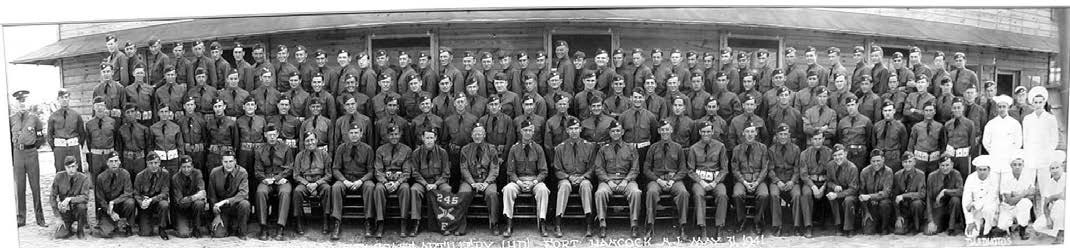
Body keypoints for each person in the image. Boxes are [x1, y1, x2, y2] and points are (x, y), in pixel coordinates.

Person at [593, 120, 643, 238]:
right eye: (613, 131)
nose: (616, 133)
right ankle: (602, 224)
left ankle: (634, 224)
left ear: (622, 132)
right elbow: (599, 169)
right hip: (608, 180)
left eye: (618, 131)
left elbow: (635, 169)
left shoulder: (631, 148)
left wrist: (626, 181)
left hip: (627, 180)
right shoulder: (603, 149)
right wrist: (608, 181)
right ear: (609, 133)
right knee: (600, 193)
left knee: (636, 192)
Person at [331, 124, 381, 239]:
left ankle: (368, 222)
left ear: (361, 134)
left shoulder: (367, 149)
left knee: (370, 186)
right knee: (336, 187)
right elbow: (335, 169)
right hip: (346, 178)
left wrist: (361, 181)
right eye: (351, 133)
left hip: (361, 179)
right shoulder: (341, 148)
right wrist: (344, 181)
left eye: (356, 132)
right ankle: (336, 223)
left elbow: (371, 171)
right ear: (348, 134)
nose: (354, 135)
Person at [502, 121, 551, 237]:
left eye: (530, 130)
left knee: (543, 190)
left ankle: (542, 222)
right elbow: (510, 171)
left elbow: (544, 171)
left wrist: (535, 182)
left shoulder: (538, 149)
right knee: (508, 189)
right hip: (518, 180)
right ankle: (509, 223)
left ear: (533, 132)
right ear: (521, 132)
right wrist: (518, 182)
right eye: (525, 130)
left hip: (535, 180)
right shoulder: (514, 149)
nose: (527, 133)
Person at [643, 120, 690, 239]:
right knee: (651, 192)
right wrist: (658, 180)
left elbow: (683, 169)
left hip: (673, 180)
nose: (665, 132)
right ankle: (650, 226)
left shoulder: (678, 148)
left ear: (671, 130)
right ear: (659, 131)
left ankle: (683, 226)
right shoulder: (653, 148)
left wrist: (673, 180)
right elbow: (646, 169)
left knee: (683, 193)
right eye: (662, 129)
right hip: (657, 180)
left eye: (667, 129)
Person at [551, 117, 596, 237]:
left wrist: (583, 177)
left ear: (580, 129)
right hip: (566, 178)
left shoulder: (589, 146)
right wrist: (568, 177)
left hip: (583, 178)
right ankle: (558, 223)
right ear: (567, 130)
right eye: (571, 129)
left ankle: (589, 223)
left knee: (586, 186)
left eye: (576, 128)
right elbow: (557, 169)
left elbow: (592, 167)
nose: (574, 131)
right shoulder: (560, 148)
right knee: (564, 187)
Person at [689, 121, 730, 240]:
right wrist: (701, 182)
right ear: (699, 132)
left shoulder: (720, 146)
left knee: (722, 195)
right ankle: (702, 228)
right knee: (698, 195)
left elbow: (724, 169)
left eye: (708, 131)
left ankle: (719, 228)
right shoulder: (694, 148)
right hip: (700, 181)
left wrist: (715, 182)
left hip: (715, 180)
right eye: (704, 132)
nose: (706, 134)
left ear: (712, 132)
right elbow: (690, 170)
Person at [459, 123, 502, 236]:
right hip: (470, 180)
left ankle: (494, 223)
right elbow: (464, 168)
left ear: (484, 135)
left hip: (487, 180)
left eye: (480, 134)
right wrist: (473, 183)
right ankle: (461, 224)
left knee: (492, 194)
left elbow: (494, 169)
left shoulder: (491, 149)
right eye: (475, 134)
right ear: (471, 135)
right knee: (463, 193)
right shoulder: (465, 149)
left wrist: (486, 183)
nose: (477, 136)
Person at [12, 90, 46, 227]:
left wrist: (32, 147)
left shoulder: (34, 118)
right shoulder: (11, 119)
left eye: (24, 101)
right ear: (16, 103)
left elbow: (41, 137)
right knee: (20, 187)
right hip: (18, 154)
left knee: (35, 186)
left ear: (28, 102)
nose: (22, 104)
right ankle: (21, 218)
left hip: (31, 153)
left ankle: (40, 218)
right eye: (19, 101)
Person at [407, 127, 451, 236]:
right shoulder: (416, 153)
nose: (429, 140)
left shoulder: (442, 152)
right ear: (422, 138)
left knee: (446, 189)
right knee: (414, 190)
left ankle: (444, 222)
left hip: (437, 181)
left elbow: (446, 173)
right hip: (422, 182)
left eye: (431, 138)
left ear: (435, 138)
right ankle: (415, 222)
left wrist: (436, 184)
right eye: (427, 138)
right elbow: (415, 172)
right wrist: (425, 184)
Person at [253, 124, 293, 241]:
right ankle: (263, 226)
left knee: (285, 192)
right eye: (269, 135)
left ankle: (280, 227)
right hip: (266, 179)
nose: (272, 137)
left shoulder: (286, 149)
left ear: (278, 135)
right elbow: (257, 170)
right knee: (260, 192)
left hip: (281, 179)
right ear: (265, 135)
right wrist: (264, 179)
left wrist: (277, 178)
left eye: (274, 135)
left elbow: (289, 168)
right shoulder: (259, 150)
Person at [374, 124, 415, 237]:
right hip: (385, 181)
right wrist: (385, 182)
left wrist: (397, 183)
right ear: (387, 135)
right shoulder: (380, 150)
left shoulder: (407, 150)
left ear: (400, 135)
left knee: (405, 188)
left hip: (400, 182)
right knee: (378, 189)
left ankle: (403, 223)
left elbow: (407, 172)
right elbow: (378, 171)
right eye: (391, 134)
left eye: (396, 134)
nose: (394, 137)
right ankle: (380, 223)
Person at [731, 123, 769, 235]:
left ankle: (758, 221)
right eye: (747, 131)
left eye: (752, 131)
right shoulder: (737, 149)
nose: (750, 134)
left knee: (764, 195)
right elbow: (735, 169)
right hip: (742, 179)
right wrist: (744, 182)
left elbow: (765, 168)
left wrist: (757, 182)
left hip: (758, 179)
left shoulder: (762, 148)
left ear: (756, 133)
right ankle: (741, 220)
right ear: (743, 133)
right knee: (737, 194)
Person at [291, 131, 332, 236]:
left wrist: (317, 184)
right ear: (304, 142)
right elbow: (296, 175)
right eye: (307, 141)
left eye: (312, 140)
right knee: (297, 191)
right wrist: (307, 184)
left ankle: (326, 221)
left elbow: (328, 175)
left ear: (317, 140)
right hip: (305, 183)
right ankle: (299, 222)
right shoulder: (299, 156)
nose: (310, 143)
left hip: (320, 183)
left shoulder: (324, 154)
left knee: (327, 189)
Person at [208, 151, 251, 240]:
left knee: (245, 204)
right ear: (222, 162)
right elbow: (212, 196)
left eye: (231, 161)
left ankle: (242, 231)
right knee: (218, 234)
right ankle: (229, 225)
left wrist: (226, 201)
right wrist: (216, 215)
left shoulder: (242, 172)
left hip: (236, 206)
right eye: (225, 162)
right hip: (221, 209)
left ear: (235, 161)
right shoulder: (215, 172)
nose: (228, 165)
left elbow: (243, 194)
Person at [767, 123, 800, 236]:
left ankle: (796, 225)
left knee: (797, 195)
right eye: (780, 134)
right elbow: (770, 169)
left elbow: (797, 168)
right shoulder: (771, 150)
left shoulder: (796, 149)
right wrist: (777, 181)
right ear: (776, 135)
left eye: (785, 134)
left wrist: (792, 181)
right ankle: (777, 225)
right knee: (774, 195)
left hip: (791, 180)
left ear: (789, 135)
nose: (783, 137)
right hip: (777, 180)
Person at [798, 133, 832, 238]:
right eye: (815, 139)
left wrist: (823, 187)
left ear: (824, 139)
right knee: (806, 194)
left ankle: (834, 224)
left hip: (825, 182)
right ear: (811, 140)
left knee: (832, 192)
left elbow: (832, 173)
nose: (817, 141)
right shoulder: (804, 154)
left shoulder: (830, 153)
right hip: (810, 182)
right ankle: (808, 226)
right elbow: (803, 174)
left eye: (820, 139)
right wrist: (813, 187)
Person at [95, 151, 136, 238]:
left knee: (130, 202)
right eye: (111, 161)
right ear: (107, 163)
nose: (114, 164)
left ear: (119, 162)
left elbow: (128, 193)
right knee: (105, 234)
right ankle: (112, 224)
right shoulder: (101, 178)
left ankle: (128, 226)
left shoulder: (125, 174)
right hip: (108, 209)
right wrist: (111, 212)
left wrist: (114, 202)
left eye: (116, 161)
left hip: (121, 205)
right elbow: (100, 199)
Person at [996, 157, 1037, 239]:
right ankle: (1010, 226)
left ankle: (1022, 229)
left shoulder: (1027, 177)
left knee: (1025, 203)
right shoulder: (1006, 179)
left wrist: (1015, 195)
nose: (1017, 167)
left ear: (1023, 166)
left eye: (1019, 164)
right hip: (1008, 207)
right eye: (1014, 165)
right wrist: (1024, 193)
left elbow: (1032, 195)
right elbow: (1010, 201)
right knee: (1002, 226)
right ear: (1011, 166)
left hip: (1021, 206)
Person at [133, 153, 171, 240]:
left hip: (157, 203)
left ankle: (162, 228)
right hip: (145, 206)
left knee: (164, 204)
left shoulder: (165, 174)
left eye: (156, 163)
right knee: (145, 233)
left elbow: (165, 193)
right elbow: (136, 194)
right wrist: (141, 202)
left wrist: (151, 199)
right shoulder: (140, 176)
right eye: (151, 163)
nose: (154, 166)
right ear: (147, 163)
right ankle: (145, 220)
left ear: (159, 163)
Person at [824, 144, 860, 236]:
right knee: (830, 194)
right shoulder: (830, 165)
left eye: (840, 154)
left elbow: (853, 189)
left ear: (845, 154)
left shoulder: (852, 168)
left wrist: (837, 195)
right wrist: (834, 186)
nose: (838, 158)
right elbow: (828, 181)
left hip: (850, 193)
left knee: (848, 200)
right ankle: (838, 225)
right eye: (835, 155)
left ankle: (849, 228)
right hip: (837, 191)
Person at [51, 156, 90, 239]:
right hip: (65, 211)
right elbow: (52, 197)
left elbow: (85, 197)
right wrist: (58, 217)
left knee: (82, 206)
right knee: (60, 235)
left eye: (73, 166)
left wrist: (70, 199)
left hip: (77, 210)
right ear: (65, 167)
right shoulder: (59, 177)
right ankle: (69, 229)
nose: (71, 169)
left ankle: (80, 230)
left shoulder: (83, 178)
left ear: (77, 166)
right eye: (68, 167)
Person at [48, 89, 85, 173]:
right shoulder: (53, 117)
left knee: (76, 172)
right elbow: (49, 135)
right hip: (60, 148)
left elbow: (82, 134)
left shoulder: (76, 115)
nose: (64, 100)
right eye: (61, 97)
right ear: (58, 99)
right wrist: (56, 148)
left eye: (66, 97)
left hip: (73, 147)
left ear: (69, 98)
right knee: (61, 171)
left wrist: (77, 146)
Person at [858, 150, 894, 235]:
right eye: (873, 161)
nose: (876, 163)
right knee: (868, 232)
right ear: (870, 161)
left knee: (885, 204)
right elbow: (861, 193)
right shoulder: (864, 172)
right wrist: (866, 212)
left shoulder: (888, 172)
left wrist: (870, 196)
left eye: (878, 161)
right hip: (870, 206)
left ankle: (885, 227)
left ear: (883, 159)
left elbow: (886, 193)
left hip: (883, 204)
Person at [171, 155, 207, 238]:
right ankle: (186, 224)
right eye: (184, 167)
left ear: (192, 166)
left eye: (188, 167)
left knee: (199, 203)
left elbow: (202, 193)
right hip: (182, 210)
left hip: (194, 207)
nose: (186, 169)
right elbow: (180, 202)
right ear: (180, 167)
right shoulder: (175, 178)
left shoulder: (197, 173)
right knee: (184, 234)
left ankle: (197, 227)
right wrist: (195, 197)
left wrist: (194, 197)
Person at [926, 157, 964, 236]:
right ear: (939, 165)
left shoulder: (956, 174)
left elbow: (961, 191)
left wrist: (945, 191)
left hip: (952, 209)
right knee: (929, 231)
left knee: (955, 199)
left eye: (947, 165)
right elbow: (928, 199)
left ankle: (951, 227)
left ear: (952, 165)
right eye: (942, 165)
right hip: (938, 208)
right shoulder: (932, 176)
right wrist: (930, 221)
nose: (945, 168)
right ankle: (943, 224)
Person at [962, 157, 999, 238]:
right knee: (971, 235)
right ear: (976, 169)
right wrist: (970, 221)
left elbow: (991, 197)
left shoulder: (994, 177)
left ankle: (988, 230)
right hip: (976, 210)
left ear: (989, 170)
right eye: (980, 169)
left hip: (990, 208)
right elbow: (966, 200)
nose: (982, 172)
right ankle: (979, 225)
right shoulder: (971, 178)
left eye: (984, 169)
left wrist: (975, 204)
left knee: (988, 209)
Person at [85, 96, 119, 185]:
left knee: (110, 180)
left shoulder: (112, 122)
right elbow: (89, 141)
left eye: (102, 105)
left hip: (109, 155)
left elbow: (116, 139)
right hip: (96, 157)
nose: (99, 108)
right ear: (93, 108)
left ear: (105, 107)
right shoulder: (89, 124)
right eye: (97, 106)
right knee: (96, 181)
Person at [893, 152, 927, 235]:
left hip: (916, 208)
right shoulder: (897, 175)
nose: (907, 164)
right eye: (905, 162)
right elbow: (895, 197)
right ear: (902, 163)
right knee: (899, 231)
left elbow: (922, 194)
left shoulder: (920, 175)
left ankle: (917, 226)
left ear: (914, 162)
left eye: (910, 161)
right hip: (904, 209)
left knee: (917, 203)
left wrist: (904, 196)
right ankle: (907, 224)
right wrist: (898, 216)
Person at [944, 97, 977, 177]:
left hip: (963, 157)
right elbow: (945, 141)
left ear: (963, 108)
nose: (957, 110)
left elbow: (972, 143)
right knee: (951, 177)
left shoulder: (969, 124)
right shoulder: (948, 124)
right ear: (951, 109)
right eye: (954, 108)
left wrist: (969, 156)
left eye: (959, 108)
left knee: (964, 177)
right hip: (950, 156)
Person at [872, 101, 909, 172]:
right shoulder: (877, 126)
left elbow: (904, 145)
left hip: (894, 159)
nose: (887, 113)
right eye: (885, 111)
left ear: (894, 111)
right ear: (882, 112)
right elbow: (873, 143)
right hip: (879, 158)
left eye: (889, 110)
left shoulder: (900, 127)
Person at [982, 95, 1022, 160]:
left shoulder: (1015, 123)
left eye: (1004, 106)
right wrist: (993, 152)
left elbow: (1018, 142)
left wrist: (1012, 153)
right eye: (1000, 107)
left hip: (1010, 156)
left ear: (1008, 108)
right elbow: (986, 142)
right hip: (995, 156)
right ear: (997, 108)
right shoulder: (991, 124)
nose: (1002, 109)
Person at [908, 102, 944, 174]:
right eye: (926, 110)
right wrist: (911, 158)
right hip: (919, 160)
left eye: (931, 110)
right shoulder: (916, 127)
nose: (928, 113)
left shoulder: (940, 126)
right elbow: (911, 145)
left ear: (934, 112)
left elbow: (943, 144)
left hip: (934, 160)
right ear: (923, 112)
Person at [838, 96, 874, 167]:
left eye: (852, 105)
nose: (850, 107)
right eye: (848, 105)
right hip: (847, 154)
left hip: (860, 155)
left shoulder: (866, 121)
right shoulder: (842, 122)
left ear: (857, 105)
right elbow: (840, 138)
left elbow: (869, 140)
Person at [150, 104, 184, 175]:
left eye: (166, 111)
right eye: (162, 112)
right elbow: (150, 146)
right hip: (159, 161)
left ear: (169, 113)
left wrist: (181, 161)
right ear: (158, 113)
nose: (164, 114)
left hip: (173, 161)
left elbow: (180, 146)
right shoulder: (153, 128)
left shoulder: (176, 127)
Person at [178, 96, 209, 173]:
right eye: (188, 105)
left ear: (195, 106)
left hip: (199, 153)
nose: (190, 107)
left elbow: (205, 138)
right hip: (186, 152)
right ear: (184, 106)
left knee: (199, 172)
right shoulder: (180, 122)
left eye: (191, 105)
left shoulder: (201, 121)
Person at [207, 99, 239, 169]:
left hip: (226, 154)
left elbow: (235, 140)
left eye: (219, 106)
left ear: (224, 107)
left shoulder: (231, 123)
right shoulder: (209, 123)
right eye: (215, 106)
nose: (218, 109)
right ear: (213, 108)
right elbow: (207, 139)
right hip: (213, 154)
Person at [1039, 161, 1065, 244]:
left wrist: (1051, 197)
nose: (1055, 170)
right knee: (1038, 226)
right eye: (1052, 168)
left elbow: (1064, 196)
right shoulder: (1049, 183)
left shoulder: (1067, 177)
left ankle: (1061, 234)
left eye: (1057, 167)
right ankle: (1060, 229)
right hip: (1055, 211)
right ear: (1050, 171)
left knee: (1060, 203)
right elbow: (1045, 204)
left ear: (1062, 168)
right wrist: (1048, 218)